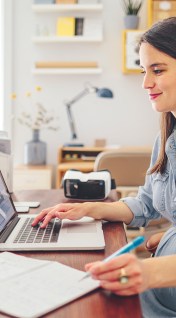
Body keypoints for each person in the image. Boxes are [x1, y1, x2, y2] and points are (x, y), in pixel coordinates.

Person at [32, 17, 176, 317]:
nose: (145, 83)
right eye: (143, 71)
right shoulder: (166, 138)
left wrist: (148, 272)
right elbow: (147, 203)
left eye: (158, 70)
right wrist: (89, 209)